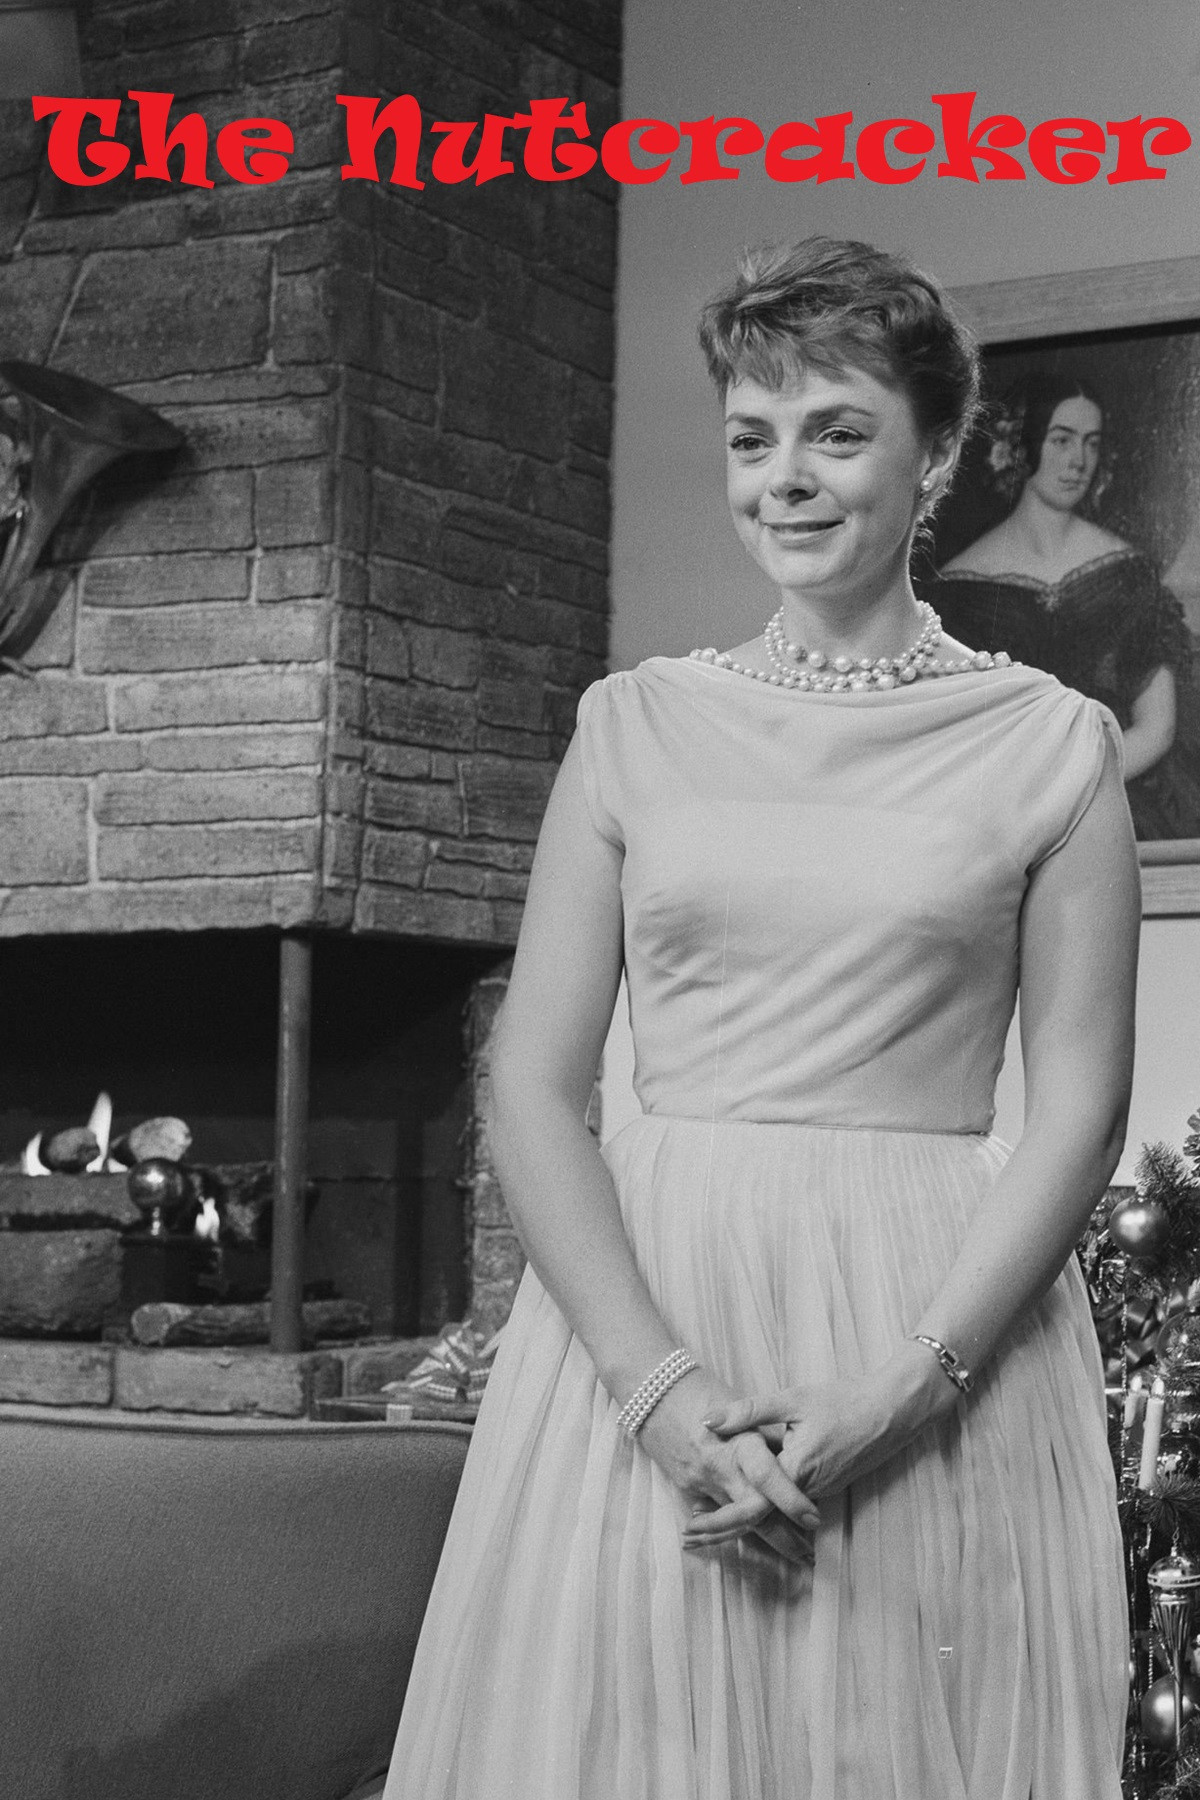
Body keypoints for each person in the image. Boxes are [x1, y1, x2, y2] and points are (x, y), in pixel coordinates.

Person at [382, 239, 1140, 1799]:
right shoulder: (632, 726)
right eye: (751, 437)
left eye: (836, 432)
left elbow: (1079, 1111)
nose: (784, 478)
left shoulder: (1052, 745)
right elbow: (530, 1084)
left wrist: (904, 1390)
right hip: (651, 1321)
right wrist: (659, 1396)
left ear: (937, 457)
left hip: (929, 1327)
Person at [929, 372, 1198, 838]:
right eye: (1061, 440)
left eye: (1092, 443)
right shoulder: (957, 587)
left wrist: (1071, 792)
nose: (1079, 461)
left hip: (1121, 805)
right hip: (1004, 820)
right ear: (1022, 445)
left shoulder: (1130, 572)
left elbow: (1158, 729)